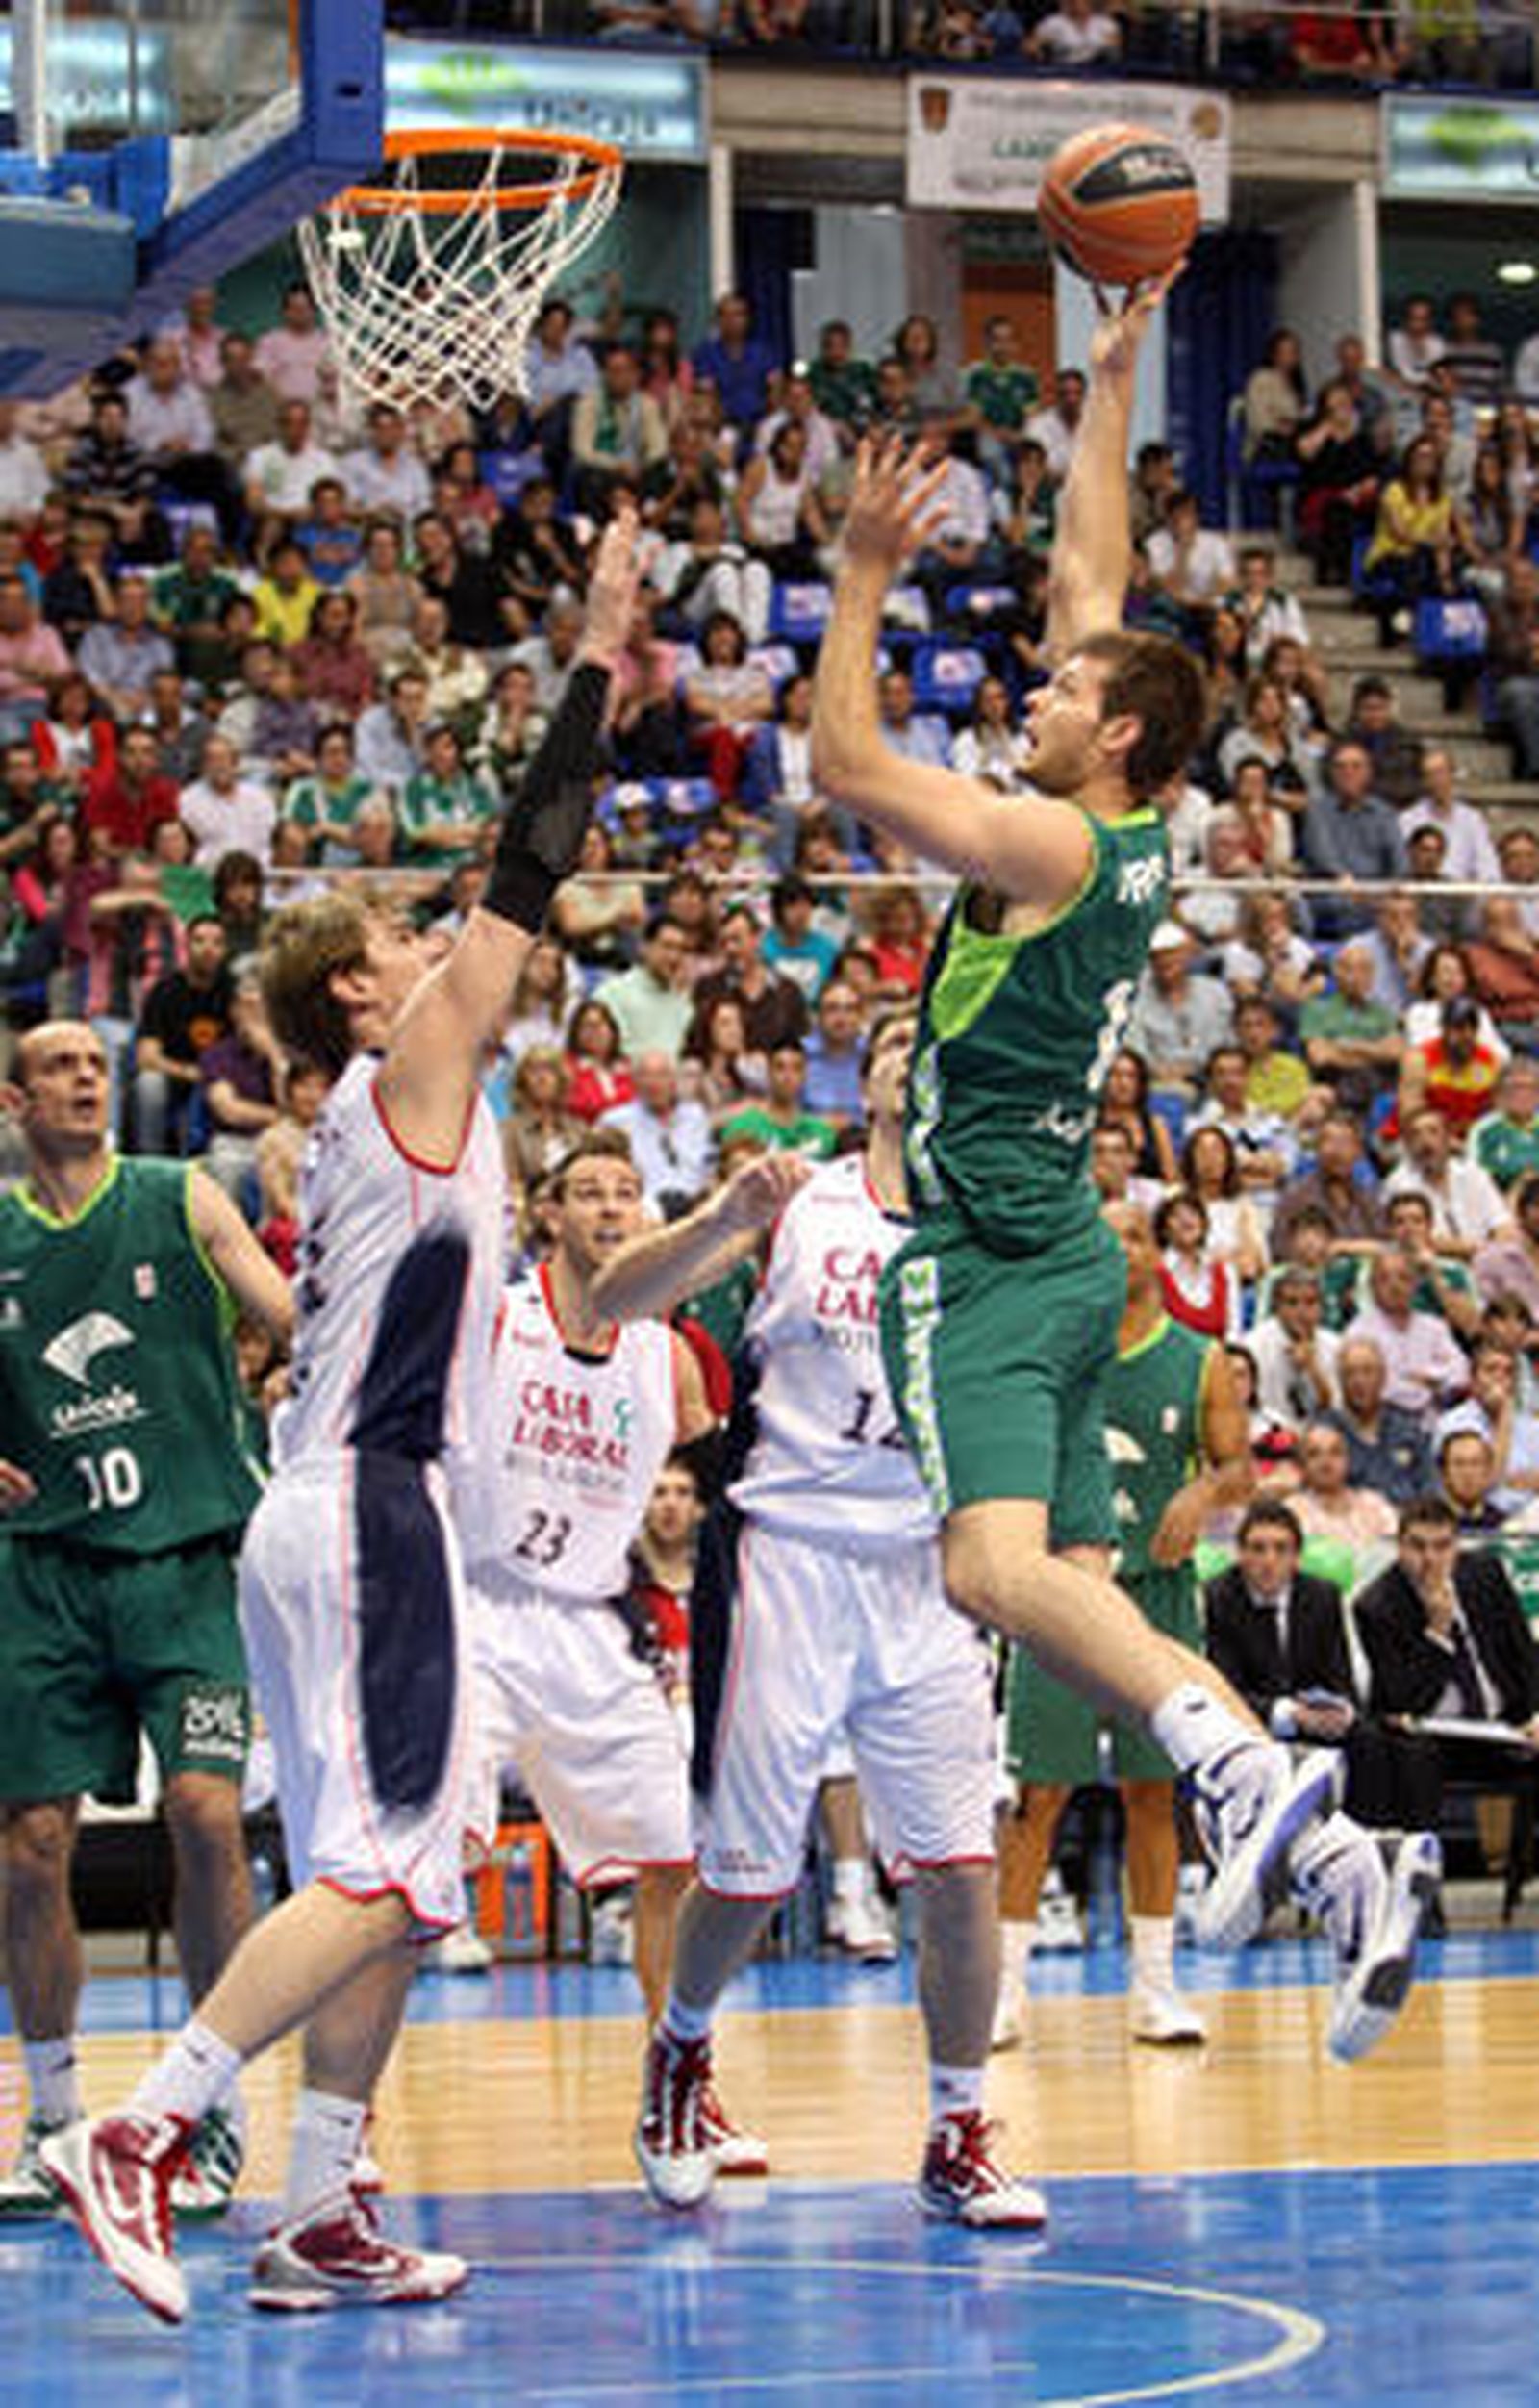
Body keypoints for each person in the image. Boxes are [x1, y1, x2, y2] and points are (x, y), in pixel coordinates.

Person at [806, 279, 1434, 2068]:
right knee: (1074, 1606)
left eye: (1065, 691)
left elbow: (846, 760)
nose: (1039, 680)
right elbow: (1100, 586)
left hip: (994, 1252)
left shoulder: (1042, 834)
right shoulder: (1136, 823)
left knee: (993, 1574)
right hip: (1079, 1250)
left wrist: (859, 569)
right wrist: (1112, 370)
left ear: (1119, 742)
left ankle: (1250, 1774)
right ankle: (1326, 1858)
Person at [41, 513, 643, 2322]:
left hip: (333, 1514)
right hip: (380, 1512)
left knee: (396, 1877)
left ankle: (315, 2208)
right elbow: (532, 863)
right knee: (383, 1879)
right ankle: (141, 2127)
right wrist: (602, 647)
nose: (435, 941)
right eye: (403, 937)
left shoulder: (374, 1116)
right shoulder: (414, 1063)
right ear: (363, 997)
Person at [591, 1011, 1045, 2225]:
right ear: (868, 1080)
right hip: (788, 1552)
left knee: (958, 1866)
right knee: (746, 1869)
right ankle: (680, 2049)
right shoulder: (800, 1201)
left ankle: (957, 2127)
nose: (911, 1049)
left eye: (932, 1037)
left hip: (928, 1566)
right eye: (893, 1037)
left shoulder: (989, 1230)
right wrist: (723, 1218)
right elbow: (611, 1293)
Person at [0, 1021, 293, 2219]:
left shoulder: (181, 1195)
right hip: (44, 1570)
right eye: (57, 1064)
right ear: (16, 1098)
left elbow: (284, 1309)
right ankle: (57, 2114)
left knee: (208, 1811)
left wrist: (260, 1359)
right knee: (30, 1843)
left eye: (93, 1062)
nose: (84, 1075)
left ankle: (204, 2101)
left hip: (185, 1558)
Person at [457, 1128, 764, 2167]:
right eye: (587, 1191)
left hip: (589, 1619)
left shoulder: (670, 1354)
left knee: (677, 1855)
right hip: (474, 1609)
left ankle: (678, 2085)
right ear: (547, 1213)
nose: (609, 1207)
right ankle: (349, 2129)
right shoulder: (498, 1317)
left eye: (626, 1192)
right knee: (410, 1876)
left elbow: (718, 1450)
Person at [996, 1202, 1251, 2053]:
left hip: (1157, 1593)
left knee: (1155, 1792)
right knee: (1037, 1797)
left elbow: (1239, 1465)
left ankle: (1154, 1986)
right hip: (1059, 1587)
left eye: (1133, 1233)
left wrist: (1200, 1494)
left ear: (1158, 1249)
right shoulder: (1049, 1342)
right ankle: (1003, 1994)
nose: (1118, 1245)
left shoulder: (1199, 1355)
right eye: (1101, 1231)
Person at [1204, 1500, 1439, 1833]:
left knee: (1373, 1738)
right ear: (1240, 1555)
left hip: (1314, 1717)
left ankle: (1369, 1843)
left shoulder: (1321, 1597)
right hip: (1254, 1723)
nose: (1268, 1561)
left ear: (1296, 1557)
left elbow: (1340, 1678)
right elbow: (1226, 1690)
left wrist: (1338, 1710)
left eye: (1280, 1549)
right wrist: (1289, 1712)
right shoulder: (1219, 1599)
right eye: (1257, 1549)